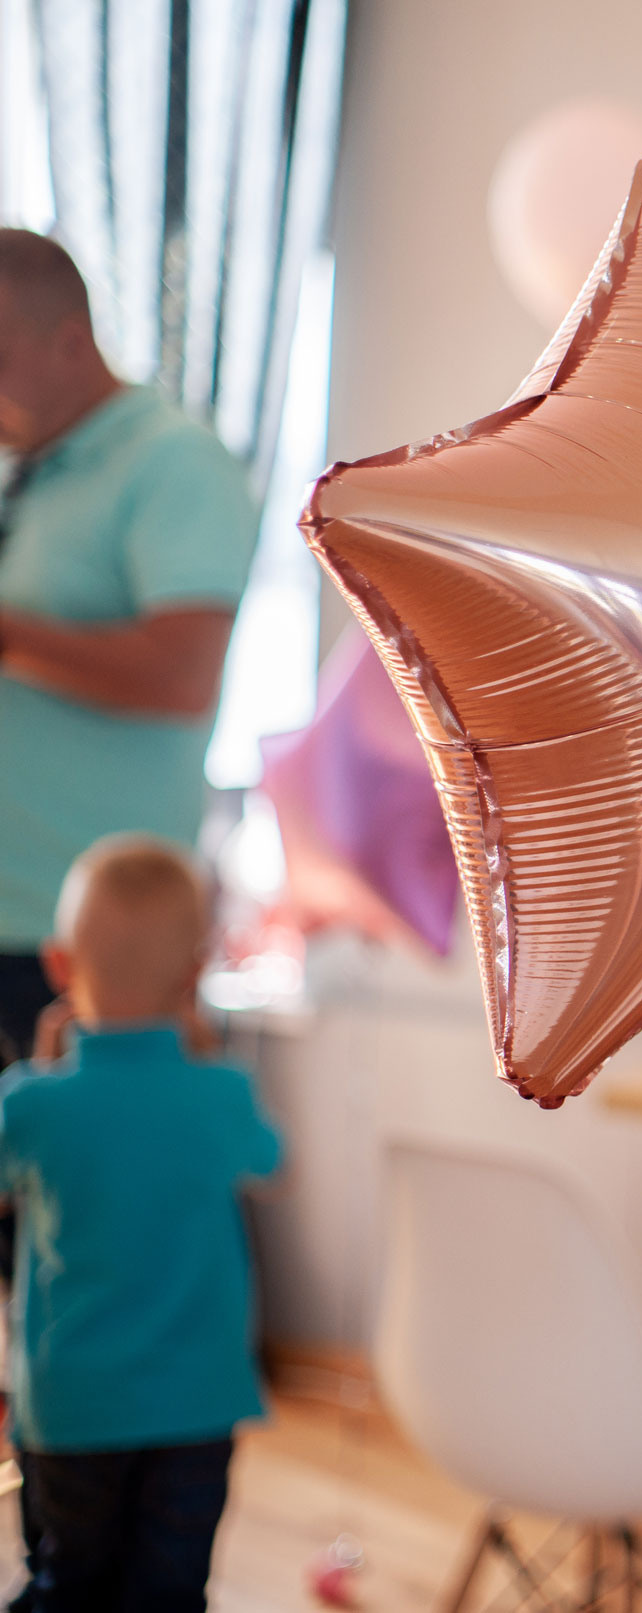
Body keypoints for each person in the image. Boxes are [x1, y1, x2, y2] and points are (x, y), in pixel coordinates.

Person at [0, 834, 281, 1610]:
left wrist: (43, 1073)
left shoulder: (32, 1102)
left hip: (72, 1408)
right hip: (195, 1406)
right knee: (168, 1592)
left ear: (59, 966)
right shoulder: (221, 1093)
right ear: (195, 974)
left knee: (67, 1583)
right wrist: (206, 1059)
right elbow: (273, 1168)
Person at [0, 229, 259, 1064]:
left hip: (88, 942)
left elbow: (184, 674)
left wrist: (10, 636)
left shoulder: (174, 463)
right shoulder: (27, 468)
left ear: (69, 343)